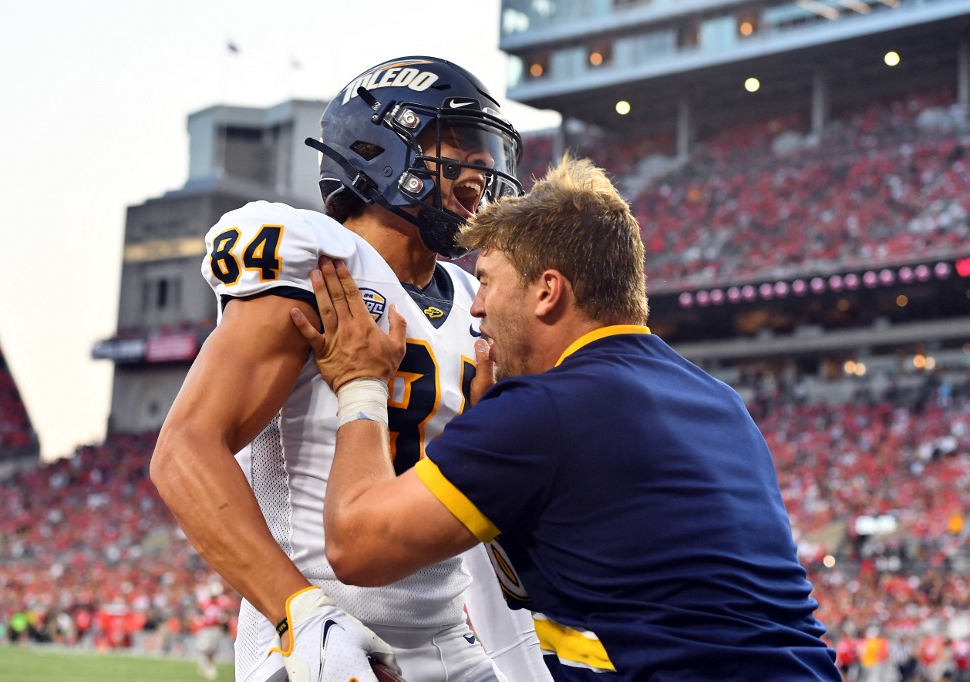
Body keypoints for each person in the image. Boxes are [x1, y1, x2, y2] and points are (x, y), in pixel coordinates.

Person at [291, 155, 845, 680]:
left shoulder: (545, 410)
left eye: (486, 279)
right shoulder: (719, 401)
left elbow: (356, 548)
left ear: (547, 292)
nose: (476, 306)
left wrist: (360, 384)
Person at [150, 55, 551, 682]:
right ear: (382, 145)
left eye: (488, 156)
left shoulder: (476, 297)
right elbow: (183, 449)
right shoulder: (318, 257)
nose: (483, 174)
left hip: (447, 637)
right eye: (463, 151)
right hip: (322, 630)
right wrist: (300, 616)